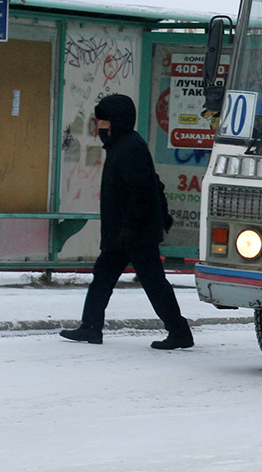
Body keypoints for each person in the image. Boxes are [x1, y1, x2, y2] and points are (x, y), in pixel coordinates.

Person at [60, 93, 194, 350]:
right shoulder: (119, 145)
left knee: (153, 282)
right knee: (103, 277)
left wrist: (131, 228)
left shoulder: (130, 147)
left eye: (105, 120)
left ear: (117, 120)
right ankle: (90, 327)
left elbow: (142, 190)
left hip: (134, 232)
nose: (100, 125)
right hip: (123, 231)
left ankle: (179, 332)